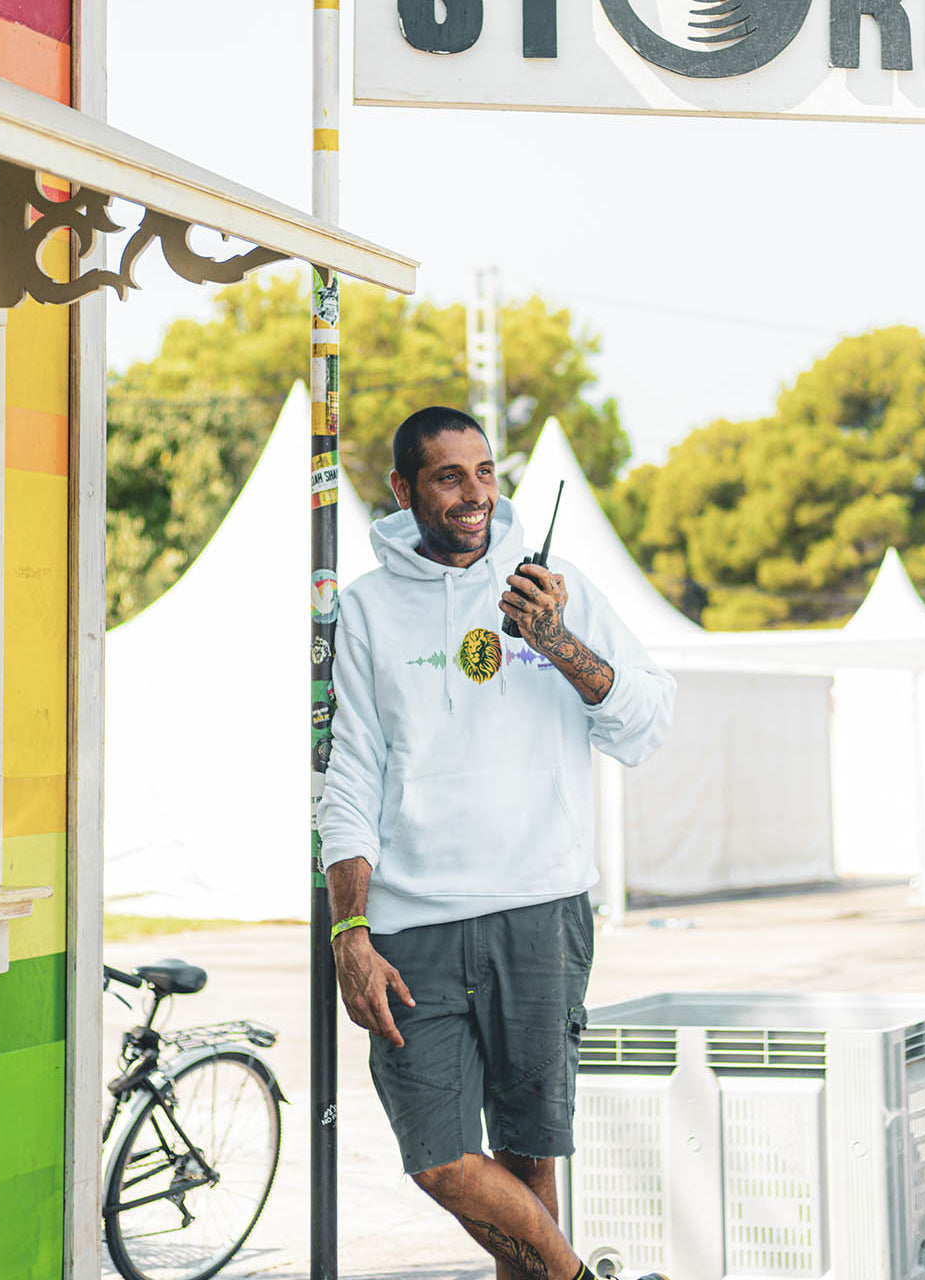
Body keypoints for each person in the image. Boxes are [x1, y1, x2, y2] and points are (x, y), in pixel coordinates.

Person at [317, 406, 676, 1280]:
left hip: (541, 908)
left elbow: (646, 726)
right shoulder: (365, 609)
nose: (475, 493)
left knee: (528, 1158)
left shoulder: (556, 588)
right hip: (412, 927)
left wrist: (558, 643)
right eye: (449, 476)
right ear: (404, 490)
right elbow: (350, 776)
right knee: (438, 1158)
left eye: (484, 471)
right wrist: (349, 931)